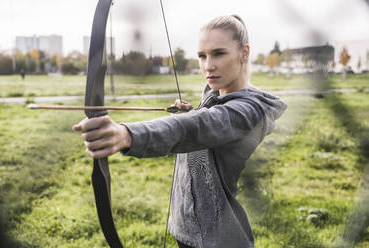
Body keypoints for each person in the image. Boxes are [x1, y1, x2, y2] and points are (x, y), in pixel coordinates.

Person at [73, 15, 287, 248]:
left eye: (218, 53)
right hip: (187, 230)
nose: (208, 65)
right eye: (202, 56)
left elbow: (201, 126)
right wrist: (189, 113)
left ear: (244, 52)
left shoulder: (249, 111)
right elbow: (200, 125)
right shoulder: (217, 97)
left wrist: (127, 135)